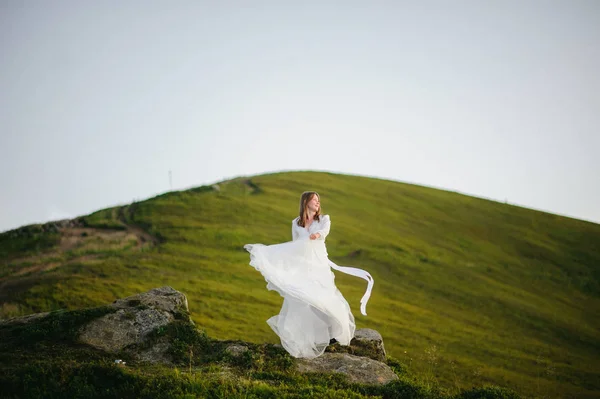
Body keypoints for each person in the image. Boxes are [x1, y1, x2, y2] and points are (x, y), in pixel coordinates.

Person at [244, 191, 374, 359]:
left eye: (319, 200)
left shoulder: (324, 219)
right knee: (303, 299)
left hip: (319, 264)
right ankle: (309, 338)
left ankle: (335, 332)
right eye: (314, 200)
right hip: (303, 267)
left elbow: (325, 231)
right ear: (306, 202)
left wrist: (317, 234)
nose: (318, 203)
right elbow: (294, 245)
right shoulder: (296, 223)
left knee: (325, 295)